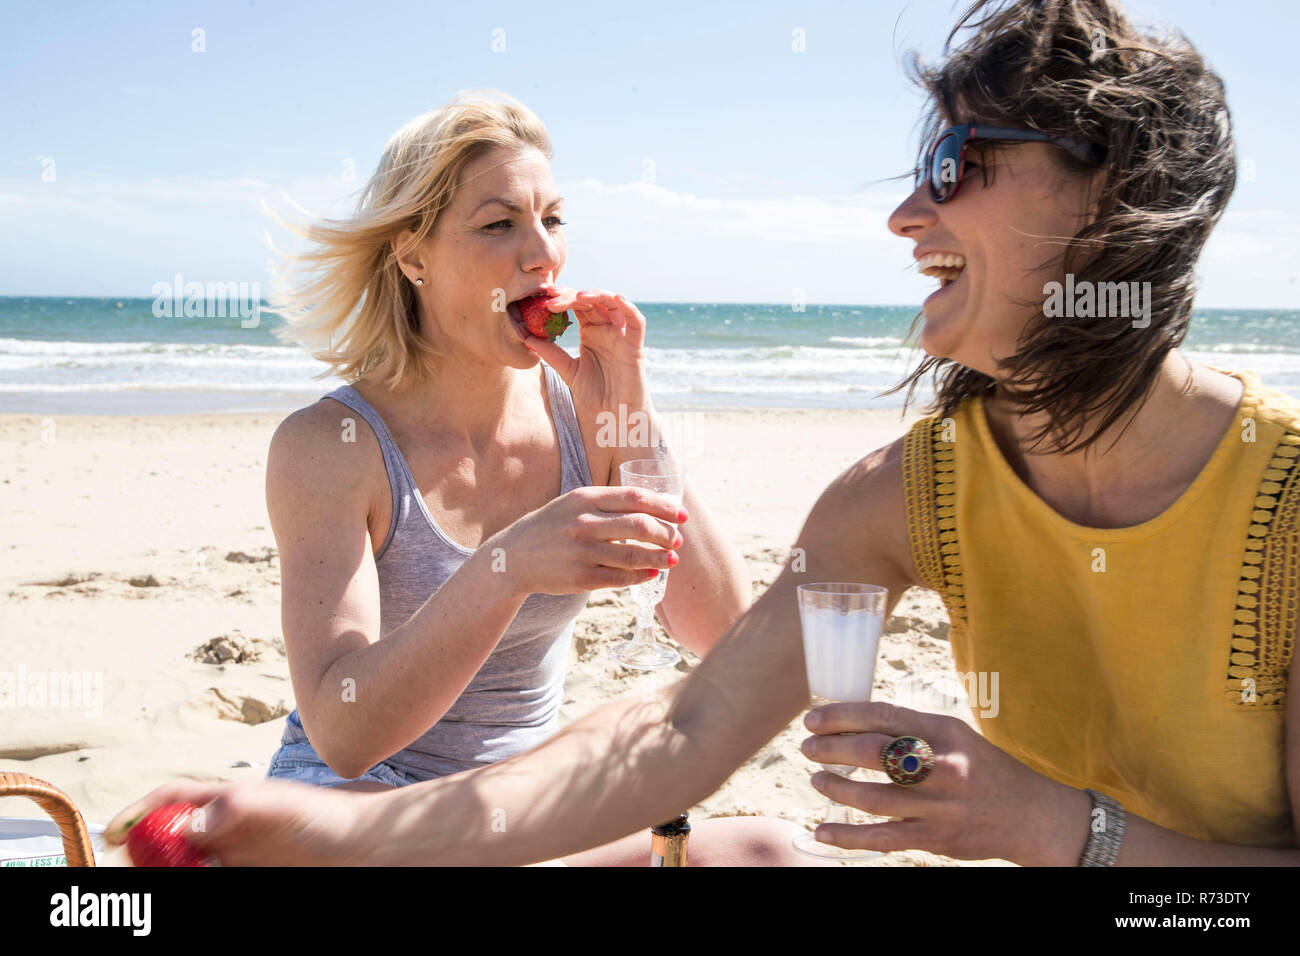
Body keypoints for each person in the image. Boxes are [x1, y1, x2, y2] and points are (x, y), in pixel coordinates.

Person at [107, 0, 1298, 866]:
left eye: (956, 161)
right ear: (410, 256)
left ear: (1111, 199)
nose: (902, 212)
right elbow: (685, 719)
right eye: (497, 223)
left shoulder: (1283, 499)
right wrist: (347, 831)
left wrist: (1054, 828)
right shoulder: (902, 495)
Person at [170, 90, 805, 866]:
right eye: (499, 224)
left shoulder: (588, 410)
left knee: (771, 853)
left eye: (553, 220)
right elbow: (343, 734)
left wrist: (630, 414)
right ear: (412, 257)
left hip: (520, 811)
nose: (543, 254)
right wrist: (508, 567)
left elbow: (722, 636)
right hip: (361, 808)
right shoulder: (330, 446)